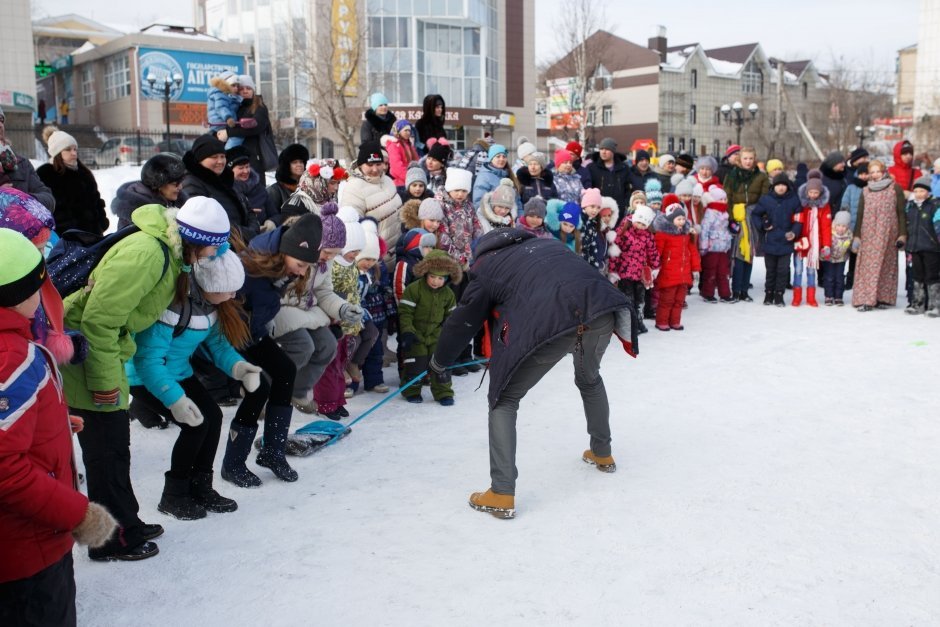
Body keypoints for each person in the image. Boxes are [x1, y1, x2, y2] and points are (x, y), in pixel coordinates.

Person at [62, 197, 229, 561]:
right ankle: (110, 540)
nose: (213, 256)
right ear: (196, 240)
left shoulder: (169, 254)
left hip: (103, 353)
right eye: (213, 248)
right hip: (87, 357)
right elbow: (98, 320)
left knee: (115, 448)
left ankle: (126, 523)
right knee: (106, 450)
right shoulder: (148, 256)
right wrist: (105, 382)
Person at [430, 228, 634, 519]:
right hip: (602, 308)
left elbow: (463, 321)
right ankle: (602, 452)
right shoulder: (547, 244)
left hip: (553, 322)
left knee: (504, 399)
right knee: (589, 378)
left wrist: (439, 362)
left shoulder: (486, 266)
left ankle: (501, 492)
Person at [0, 228, 118, 626]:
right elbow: (3, 470)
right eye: (39, 283)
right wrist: (79, 514)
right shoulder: (12, 359)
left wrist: (48, 419)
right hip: (26, 551)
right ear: (18, 294)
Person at [127, 250, 261, 520]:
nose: (233, 296)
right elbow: (148, 361)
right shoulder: (173, 306)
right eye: (228, 290)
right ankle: (174, 495)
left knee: (212, 416)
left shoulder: (211, 306)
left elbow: (218, 345)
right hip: (144, 376)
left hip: (178, 371)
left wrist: (238, 367)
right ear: (210, 286)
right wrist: (174, 399)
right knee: (194, 425)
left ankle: (201, 486)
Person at [223, 212, 322, 486]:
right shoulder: (249, 269)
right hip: (229, 336)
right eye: (300, 264)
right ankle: (233, 464)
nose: (302, 272)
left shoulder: (281, 268)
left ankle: (273, 451)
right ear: (286, 251)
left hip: (253, 333)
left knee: (285, 369)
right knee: (258, 389)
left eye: (306, 267)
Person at [399, 250, 461, 405]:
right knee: (416, 364)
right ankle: (411, 391)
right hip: (416, 333)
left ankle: (444, 392)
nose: (435, 281)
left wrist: (451, 336)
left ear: (447, 279)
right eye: (432, 276)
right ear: (425, 273)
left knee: (440, 365)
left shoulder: (448, 294)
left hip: (437, 335)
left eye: (440, 278)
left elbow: (451, 317)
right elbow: (405, 312)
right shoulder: (414, 289)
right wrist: (407, 331)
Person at [851, 160, 907, 311]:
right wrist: (857, 236)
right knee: (868, 266)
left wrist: (902, 234)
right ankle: (867, 299)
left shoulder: (895, 188)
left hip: (888, 232)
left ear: (883, 171)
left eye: (878, 171)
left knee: (886, 265)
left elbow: (901, 212)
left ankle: (883, 298)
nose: (875, 174)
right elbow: (860, 214)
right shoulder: (866, 190)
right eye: (872, 172)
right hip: (869, 233)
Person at [183, 134, 257, 240]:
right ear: (200, 159)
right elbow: (207, 222)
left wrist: (252, 230)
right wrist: (246, 234)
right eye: (214, 157)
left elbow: (248, 210)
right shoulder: (191, 183)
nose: (220, 161)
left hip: (242, 243)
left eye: (222, 156)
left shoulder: (227, 179)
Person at [36, 130, 108, 235]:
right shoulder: (46, 174)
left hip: (93, 236)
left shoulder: (84, 173)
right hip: (65, 239)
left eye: (75, 149)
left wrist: (101, 223)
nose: (74, 153)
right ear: (57, 152)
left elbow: (96, 200)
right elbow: (43, 208)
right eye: (68, 149)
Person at [338, 140, 403, 253]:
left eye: (378, 164)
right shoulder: (354, 187)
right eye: (370, 164)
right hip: (373, 256)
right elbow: (351, 227)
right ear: (360, 165)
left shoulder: (387, 180)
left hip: (396, 250)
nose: (375, 169)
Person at [723, 146, 770, 302]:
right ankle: (736, 289)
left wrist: (759, 215)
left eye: (751, 158)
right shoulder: (732, 175)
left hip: (752, 215)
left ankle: (744, 289)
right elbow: (727, 197)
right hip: (737, 216)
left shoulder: (761, 177)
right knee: (737, 254)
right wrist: (730, 218)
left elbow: (764, 199)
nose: (748, 161)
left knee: (748, 253)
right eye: (745, 158)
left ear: (754, 159)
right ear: (739, 159)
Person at [607, 205, 660, 333]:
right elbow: (615, 251)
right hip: (625, 272)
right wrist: (613, 270)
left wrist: (655, 267)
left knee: (640, 299)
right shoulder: (624, 230)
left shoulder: (647, 235)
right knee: (628, 299)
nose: (640, 226)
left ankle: (638, 321)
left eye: (644, 224)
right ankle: (628, 325)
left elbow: (653, 251)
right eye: (639, 222)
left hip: (639, 273)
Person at [753, 173, 802, 306]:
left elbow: (799, 220)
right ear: (773, 186)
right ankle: (769, 293)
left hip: (786, 241)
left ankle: (779, 294)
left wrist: (794, 232)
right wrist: (763, 225)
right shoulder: (766, 199)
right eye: (778, 185)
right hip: (770, 240)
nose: (780, 188)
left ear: (787, 187)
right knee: (771, 269)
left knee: (783, 270)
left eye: (783, 185)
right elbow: (756, 215)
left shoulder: (794, 200)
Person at [654, 203, 700, 331]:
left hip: (683, 274)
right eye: (678, 219)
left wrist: (695, 269)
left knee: (679, 300)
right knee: (666, 299)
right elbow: (657, 252)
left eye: (683, 219)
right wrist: (654, 267)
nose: (681, 222)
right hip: (668, 273)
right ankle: (662, 321)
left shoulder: (686, 235)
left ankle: (675, 321)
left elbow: (693, 253)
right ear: (670, 220)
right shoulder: (663, 235)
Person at [113, 154, 188, 230]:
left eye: (181, 182)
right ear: (158, 184)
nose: (180, 187)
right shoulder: (135, 211)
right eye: (175, 184)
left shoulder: (177, 202)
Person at [0, 106, 55, 211]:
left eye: (1, 120)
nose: (0, 125)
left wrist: (24, 200)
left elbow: (48, 199)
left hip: (20, 226)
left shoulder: (22, 163)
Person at [791, 171, 833, 308]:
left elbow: (826, 227)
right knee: (798, 270)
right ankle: (797, 297)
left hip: (815, 244)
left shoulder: (824, 207)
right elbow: (795, 221)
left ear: (820, 193)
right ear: (807, 192)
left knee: (811, 271)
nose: (813, 195)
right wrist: (794, 236)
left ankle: (811, 297)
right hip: (800, 242)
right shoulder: (801, 205)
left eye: (816, 192)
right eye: (811, 192)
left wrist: (826, 244)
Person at [217, 76, 273, 176]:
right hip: (235, 159)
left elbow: (256, 126)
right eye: (242, 89)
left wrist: (228, 133)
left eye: (248, 88)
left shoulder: (259, 107)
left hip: (253, 160)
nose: (245, 91)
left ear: (253, 90)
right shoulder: (236, 107)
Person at [903, 176, 940, 316]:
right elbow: (907, 225)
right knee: (917, 276)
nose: (919, 194)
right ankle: (917, 304)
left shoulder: (934, 206)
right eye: (916, 191)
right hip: (915, 247)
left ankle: (934, 306)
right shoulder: (910, 206)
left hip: (931, 247)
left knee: (932, 276)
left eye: (922, 191)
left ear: (928, 192)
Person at [697, 186, 734, 303]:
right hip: (711, 248)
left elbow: (726, 229)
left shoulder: (725, 213)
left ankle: (725, 294)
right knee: (710, 271)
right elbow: (704, 230)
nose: (723, 202)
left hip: (723, 247)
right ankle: (707, 293)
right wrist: (703, 246)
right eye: (720, 199)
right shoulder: (710, 212)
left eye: (724, 199)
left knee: (724, 271)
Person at [228, 146, 276, 227]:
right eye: (241, 168)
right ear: (230, 170)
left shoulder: (259, 188)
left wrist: (271, 222)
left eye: (247, 167)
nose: (246, 171)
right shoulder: (226, 191)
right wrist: (249, 216)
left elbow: (275, 214)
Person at [841, 162, 869, 290]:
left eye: (866, 174)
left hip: (867, 225)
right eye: (861, 174)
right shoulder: (851, 188)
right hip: (852, 226)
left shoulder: (871, 187)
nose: (863, 176)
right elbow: (845, 203)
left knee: (866, 254)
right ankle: (850, 277)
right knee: (853, 253)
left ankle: (863, 279)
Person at [472, 144, 522, 213]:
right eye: (498, 156)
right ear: (491, 159)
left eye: (504, 156)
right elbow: (479, 202)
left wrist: (519, 218)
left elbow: (517, 201)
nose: (501, 159)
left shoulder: (509, 176)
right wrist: (494, 218)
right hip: (492, 221)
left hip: (511, 220)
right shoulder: (484, 177)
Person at [586, 137, 631, 213]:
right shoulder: (592, 168)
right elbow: (588, 188)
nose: (603, 152)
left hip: (619, 209)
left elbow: (628, 189)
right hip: (599, 209)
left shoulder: (623, 168)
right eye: (601, 149)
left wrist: (625, 204)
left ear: (613, 151)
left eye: (607, 149)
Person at [266, 143, 309, 212]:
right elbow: (273, 216)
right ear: (286, 166)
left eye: (301, 162)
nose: (299, 165)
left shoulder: (308, 188)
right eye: (295, 162)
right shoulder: (274, 191)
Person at [206, 71, 243, 149]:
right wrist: (228, 118)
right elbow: (221, 107)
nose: (236, 88)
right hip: (222, 123)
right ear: (226, 84)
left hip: (222, 123)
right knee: (237, 136)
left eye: (237, 86)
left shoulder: (229, 95)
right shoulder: (220, 94)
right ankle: (228, 151)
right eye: (233, 85)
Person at [824, 211, 853, 306]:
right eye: (839, 225)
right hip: (830, 260)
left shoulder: (849, 236)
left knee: (839, 278)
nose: (841, 228)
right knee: (829, 277)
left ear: (847, 226)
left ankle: (838, 297)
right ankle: (829, 296)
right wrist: (824, 253)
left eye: (844, 226)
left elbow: (850, 247)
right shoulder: (829, 233)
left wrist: (854, 247)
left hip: (841, 260)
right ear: (835, 224)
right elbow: (825, 245)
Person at [383, 119, 420, 187]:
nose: (408, 133)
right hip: (400, 182)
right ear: (398, 131)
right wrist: (410, 178)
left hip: (411, 180)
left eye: (409, 130)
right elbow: (396, 166)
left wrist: (418, 175)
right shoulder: (393, 145)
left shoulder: (409, 145)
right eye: (405, 130)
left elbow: (417, 161)